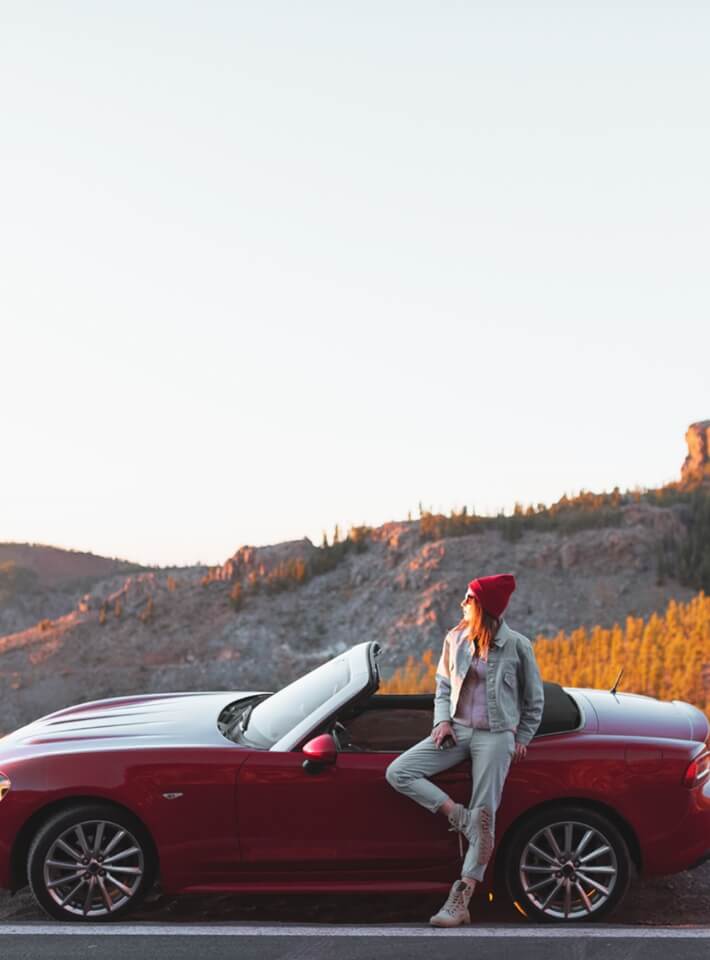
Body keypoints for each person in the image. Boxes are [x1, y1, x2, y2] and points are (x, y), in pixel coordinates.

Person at [384, 573, 545, 927]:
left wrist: (523, 739)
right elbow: (443, 686)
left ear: (484, 606)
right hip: (457, 730)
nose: (463, 604)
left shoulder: (518, 646)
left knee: (486, 817)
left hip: (496, 736)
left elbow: (534, 701)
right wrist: (441, 722)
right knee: (399, 771)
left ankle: (461, 899)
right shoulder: (455, 639)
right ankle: (460, 818)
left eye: (469, 599)